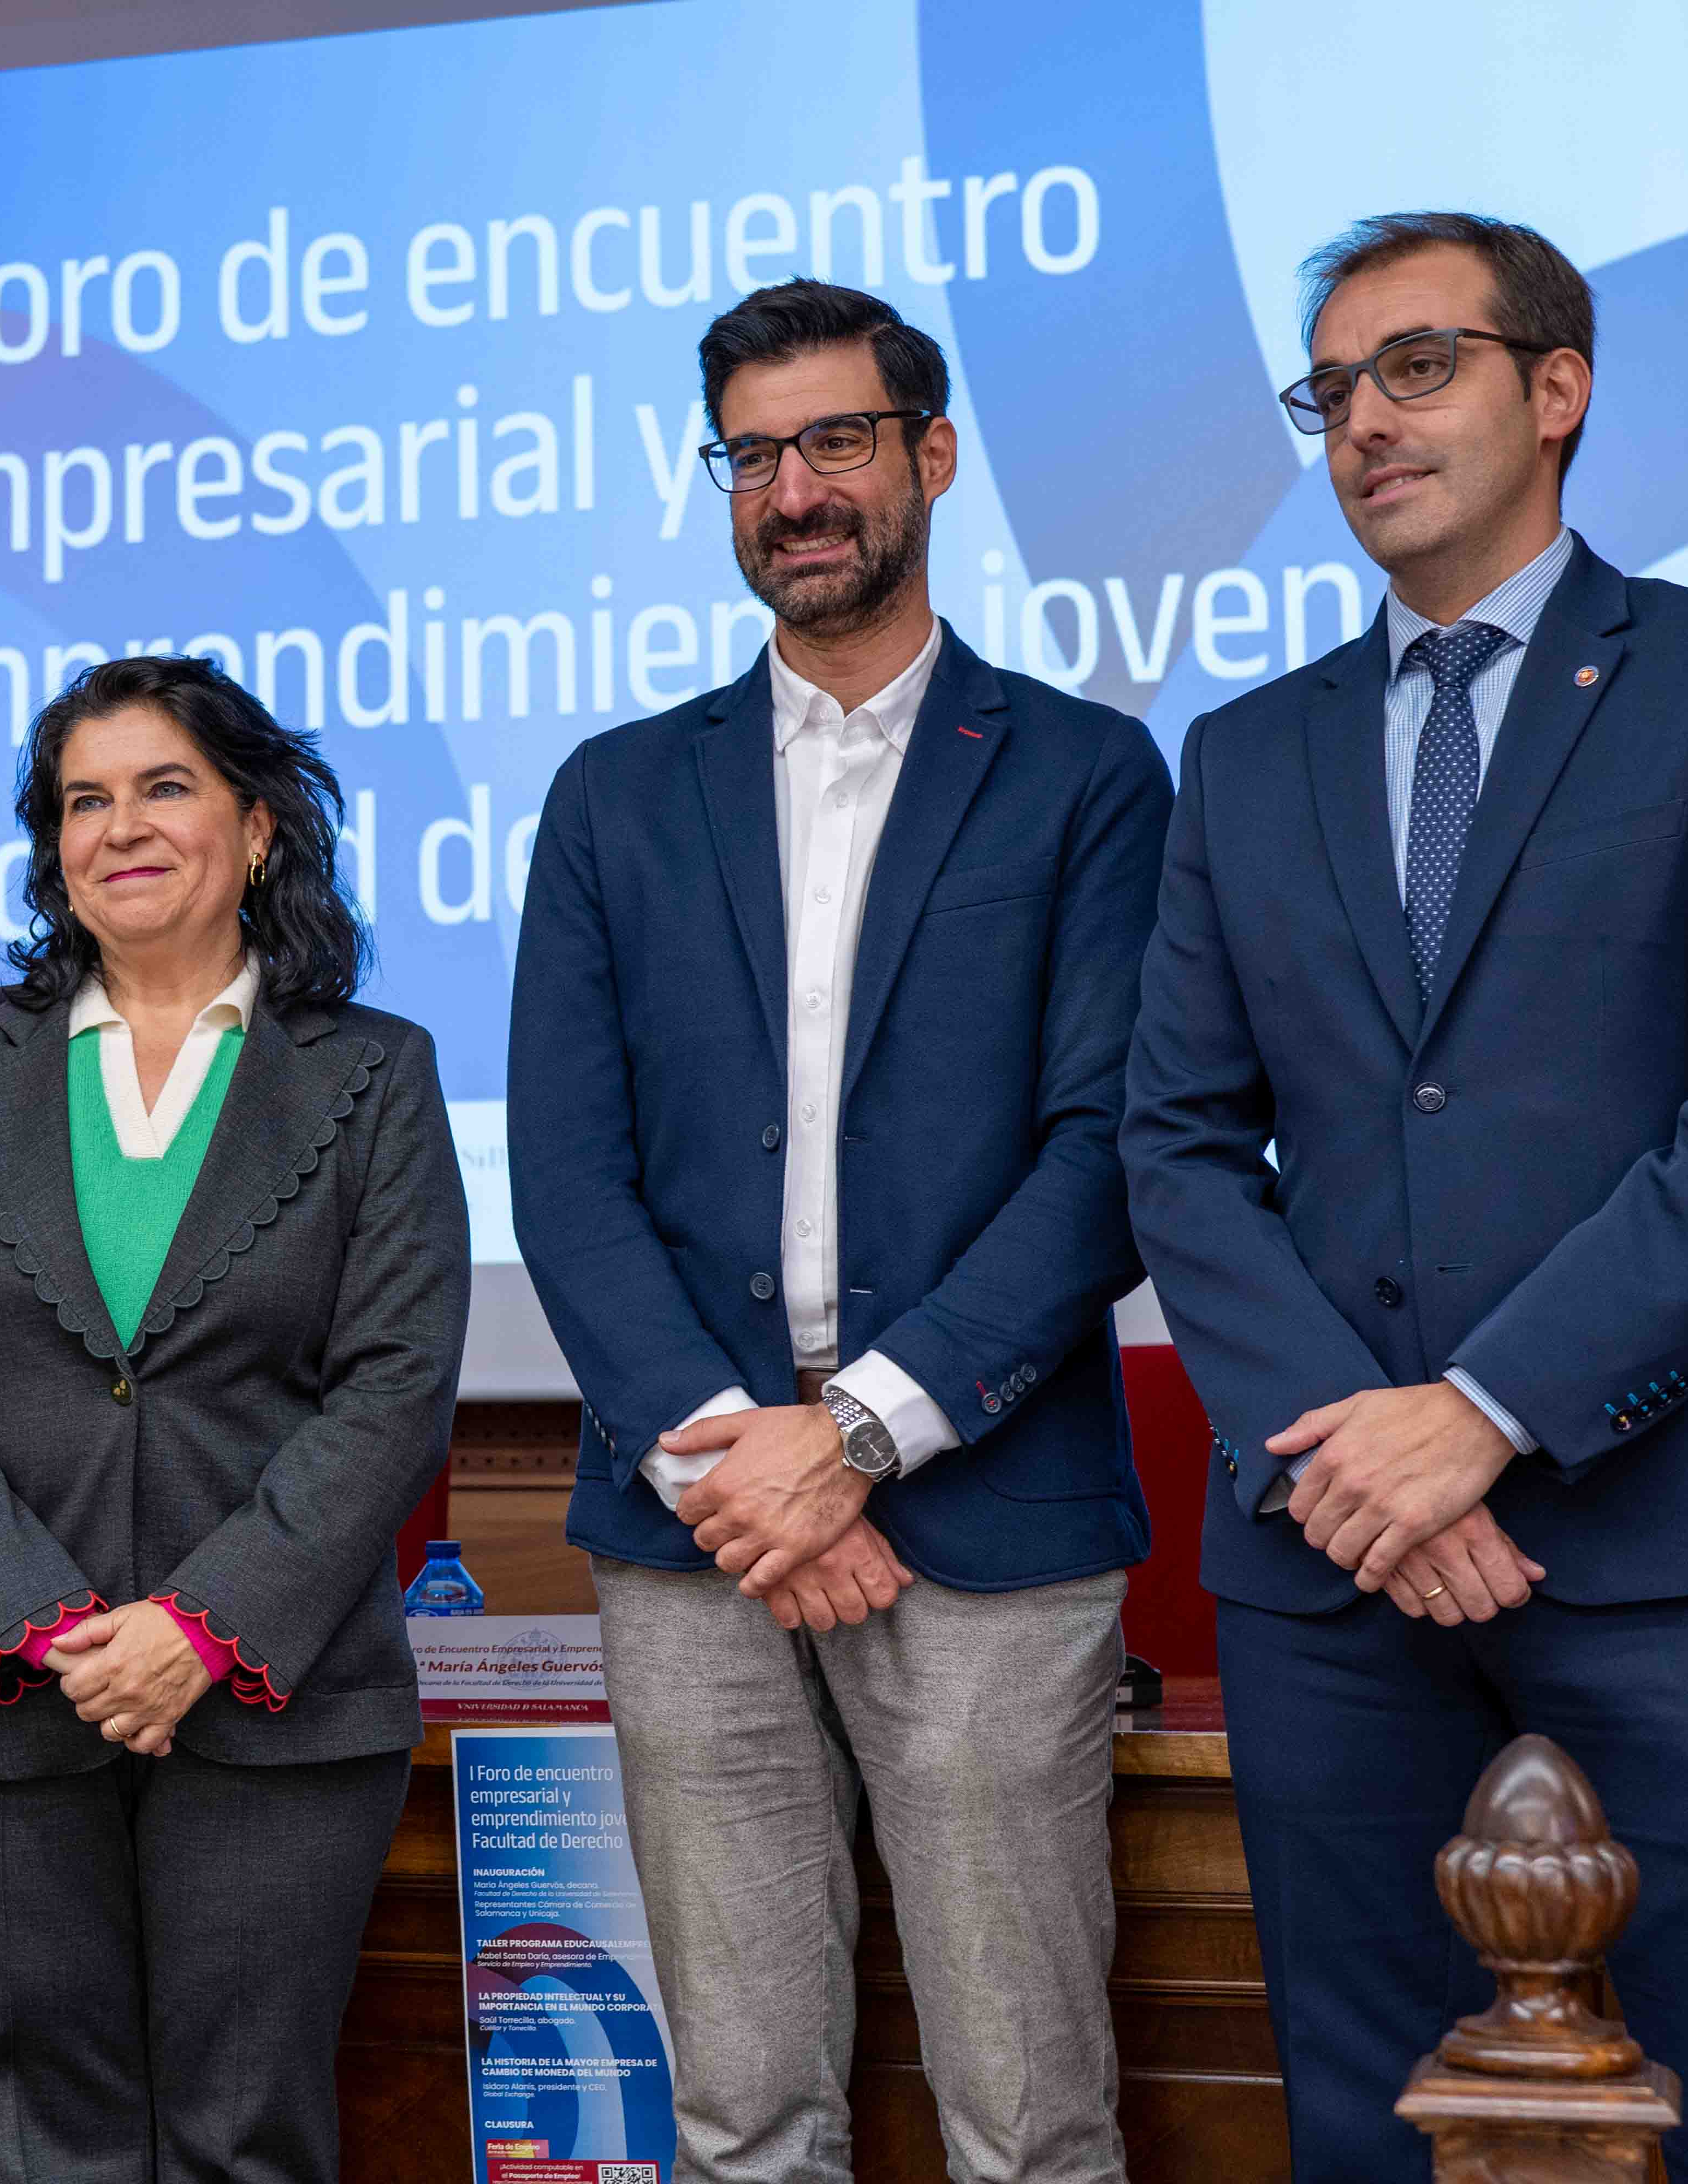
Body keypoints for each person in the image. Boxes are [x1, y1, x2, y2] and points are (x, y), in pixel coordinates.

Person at [1123, 211, 1688, 2180]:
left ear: (1559, 390)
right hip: (1338, 1575)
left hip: (1687, 1551)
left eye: (1418, 366)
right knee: (1371, 2121)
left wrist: (1486, 1415)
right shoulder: (1243, 754)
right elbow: (1176, 1141)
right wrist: (1357, 1459)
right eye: (1331, 391)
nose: (1365, 420)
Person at [510, 280, 1170, 2183]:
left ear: (932, 455)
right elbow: (567, 1175)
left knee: (1029, 2123)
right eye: (751, 455)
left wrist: (859, 1436)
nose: (792, 491)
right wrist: (748, 1467)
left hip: (988, 1512)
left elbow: (1110, 1155)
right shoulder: (615, 796)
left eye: (836, 442)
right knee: (739, 2121)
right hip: (695, 1529)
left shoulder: (1085, 775)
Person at [0, 655, 467, 2184]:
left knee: (247, 2134)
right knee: (43, 2133)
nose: (119, 826)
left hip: (276, 1704)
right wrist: (40, 1620)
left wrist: (205, 1624)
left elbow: (395, 1380)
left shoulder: (375, 1072)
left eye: (163, 787)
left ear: (256, 827)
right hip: (10, 1689)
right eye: (83, 800)